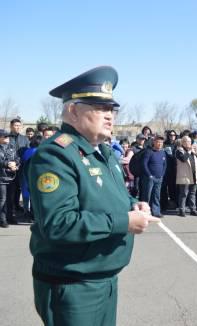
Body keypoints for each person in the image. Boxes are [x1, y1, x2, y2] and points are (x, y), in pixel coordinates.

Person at [28, 66, 159, 326]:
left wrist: (135, 205)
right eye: (100, 108)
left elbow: (111, 197)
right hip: (74, 286)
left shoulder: (103, 153)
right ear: (73, 111)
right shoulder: (56, 155)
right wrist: (125, 221)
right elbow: (59, 224)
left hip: (102, 279)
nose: (110, 116)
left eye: (111, 109)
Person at [141, 135, 167, 217]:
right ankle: (145, 212)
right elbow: (144, 164)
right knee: (147, 196)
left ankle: (156, 212)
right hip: (150, 178)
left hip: (159, 178)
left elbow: (164, 165)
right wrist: (149, 175)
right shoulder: (149, 152)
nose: (160, 144)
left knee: (156, 196)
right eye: (158, 142)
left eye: (161, 142)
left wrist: (162, 174)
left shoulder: (163, 152)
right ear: (154, 142)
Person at [175, 136, 197, 217]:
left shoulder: (193, 151)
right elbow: (183, 159)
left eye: (190, 141)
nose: (188, 143)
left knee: (193, 193)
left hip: (194, 175)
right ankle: (181, 210)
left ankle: (193, 209)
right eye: (186, 141)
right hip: (185, 176)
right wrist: (189, 151)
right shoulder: (179, 150)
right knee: (183, 194)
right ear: (182, 142)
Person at [8, 118, 29, 216]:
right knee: (10, 188)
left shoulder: (24, 138)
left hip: (22, 167)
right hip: (9, 167)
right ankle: (10, 208)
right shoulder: (6, 137)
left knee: (19, 188)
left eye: (19, 125)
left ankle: (16, 205)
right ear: (11, 126)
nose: (17, 127)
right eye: (15, 125)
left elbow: (27, 152)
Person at [0, 129, 19, 227]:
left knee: (10, 199)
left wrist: (16, 165)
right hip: (1, 178)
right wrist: (7, 164)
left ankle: (10, 217)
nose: (8, 138)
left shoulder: (11, 147)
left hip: (12, 177)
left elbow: (17, 158)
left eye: (8, 136)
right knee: (2, 199)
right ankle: (2, 219)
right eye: (5, 136)